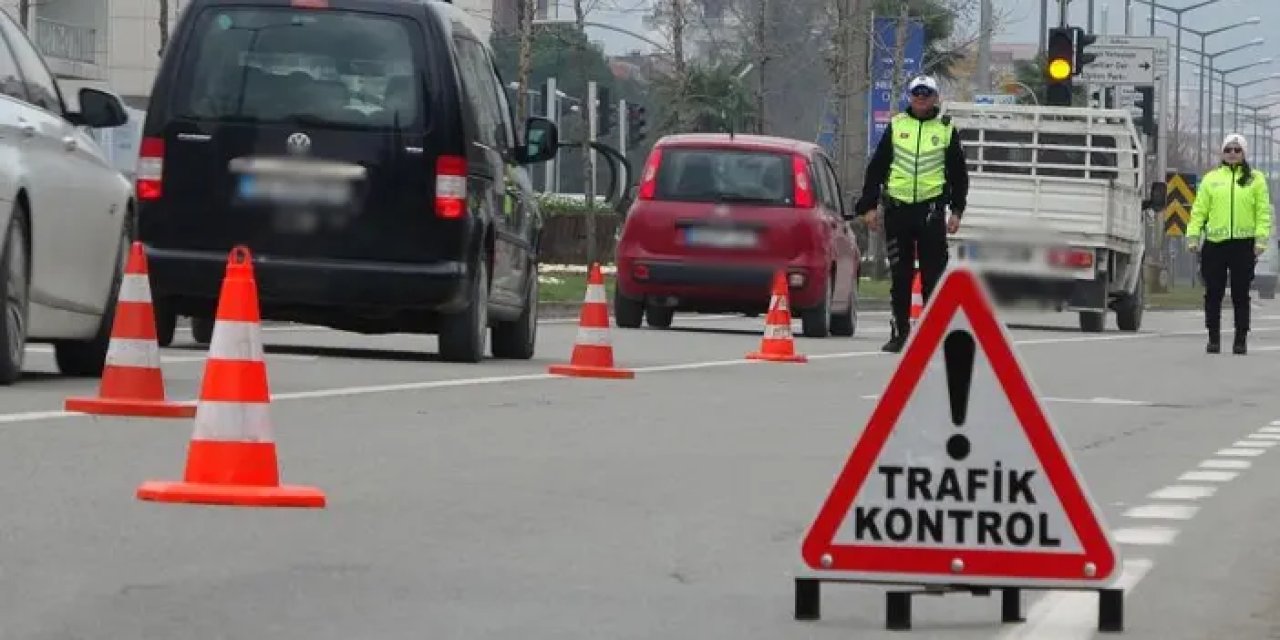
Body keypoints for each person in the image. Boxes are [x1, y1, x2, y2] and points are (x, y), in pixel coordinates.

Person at [853, 74, 970, 353]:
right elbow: (877, 168)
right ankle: (899, 332)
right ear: (910, 96)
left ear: (935, 98)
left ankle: (932, 334)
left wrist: (956, 210)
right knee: (900, 276)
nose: (921, 98)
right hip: (898, 211)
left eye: (926, 94)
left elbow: (958, 174)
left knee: (933, 277)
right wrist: (868, 207)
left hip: (930, 212)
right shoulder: (897, 125)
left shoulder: (945, 129)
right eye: (916, 93)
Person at [1188, 133, 1272, 355]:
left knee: (1240, 294)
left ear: (1244, 153)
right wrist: (1193, 236)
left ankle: (1240, 339)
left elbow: (1262, 212)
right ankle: (1213, 338)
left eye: (1237, 150)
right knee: (1213, 293)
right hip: (1215, 244)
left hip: (1243, 245)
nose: (1232, 154)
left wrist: (1261, 240)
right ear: (1222, 153)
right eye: (1228, 150)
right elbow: (1199, 210)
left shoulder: (1255, 179)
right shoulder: (1211, 179)